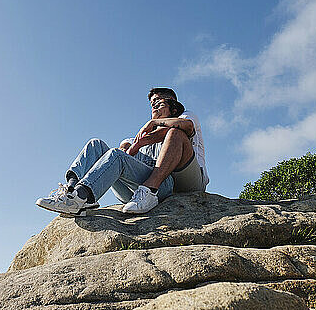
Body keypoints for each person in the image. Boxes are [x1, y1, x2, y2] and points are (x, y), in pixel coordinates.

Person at [36, 87, 208, 216]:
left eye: (160, 101)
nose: (154, 105)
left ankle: (84, 196)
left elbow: (185, 127)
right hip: (134, 191)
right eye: (152, 103)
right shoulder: (137, 137)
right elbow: (122, 158)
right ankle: (72, 192)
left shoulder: (185, 116)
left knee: (174, 133)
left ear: (173, 106)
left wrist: (152, 127)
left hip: (175, 183)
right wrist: (134, 146)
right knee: (97, 145)